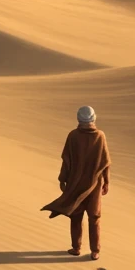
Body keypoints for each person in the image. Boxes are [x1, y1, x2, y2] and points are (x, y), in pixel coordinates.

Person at [39, 105, 111, 260]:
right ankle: (95, 251)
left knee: (76, 216)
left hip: (75, 183)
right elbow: (106, 162)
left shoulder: (73, 136)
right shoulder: (100, 135)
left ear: (79, 119)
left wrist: (62, 179)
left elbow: (67, 161)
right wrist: (106, 182)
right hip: (94, 185)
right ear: (93, 118)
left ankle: (76, 248)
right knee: (94, 217)